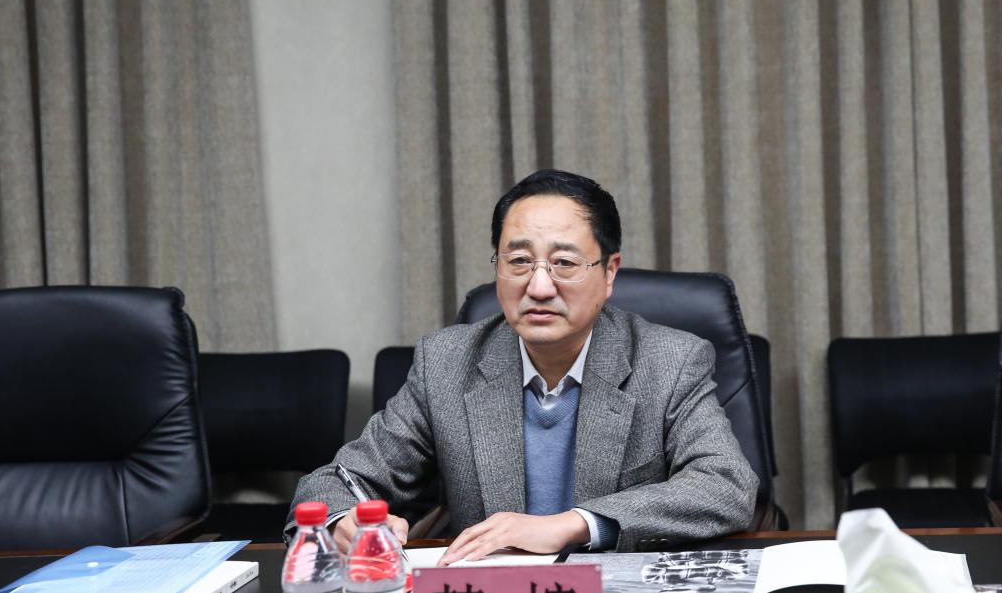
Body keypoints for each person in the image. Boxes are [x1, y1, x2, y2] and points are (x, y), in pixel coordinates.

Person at [289, 169, 758, 560]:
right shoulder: (447, 364)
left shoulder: (668, 361)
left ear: (609, 271)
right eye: (518, 261)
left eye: (564, 263)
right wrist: (342, 522)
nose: (538, 286)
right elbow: (335, 482)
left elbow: (725, 485)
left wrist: (572, 524)